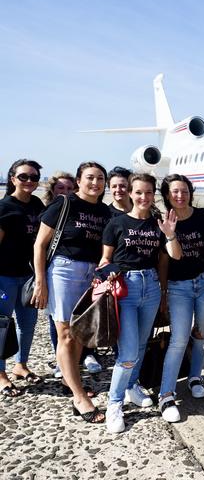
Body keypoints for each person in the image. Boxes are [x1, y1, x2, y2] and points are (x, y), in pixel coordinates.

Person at [100, 173, 182, 434]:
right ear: (130, 193)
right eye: (138, 192)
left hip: (151, 287)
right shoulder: (117, 223)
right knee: (128, 353)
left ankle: (132, 386)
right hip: (125, 288)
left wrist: (169, 235)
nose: (143, 197)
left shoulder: (159, 224)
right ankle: (114, 403)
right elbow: (104, 260)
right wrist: (107, 273)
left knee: (143, 344)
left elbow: (171, 258)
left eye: (148, 193)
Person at [33, 162, 111, 423]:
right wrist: (41, 282)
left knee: (79, 333)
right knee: (65, 333)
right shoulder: (64, 204)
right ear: (79, 180)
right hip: (64, 272)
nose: (95, 183)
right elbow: (40, 245)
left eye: (100, 178)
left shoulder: (105, 211)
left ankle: (71, 381)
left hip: (92, 274)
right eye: (90, 178)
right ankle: (79, 396)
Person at [157, 174, 204, 422]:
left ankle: (195, 377)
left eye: (184, 191)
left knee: (202, 333)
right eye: (175, 192)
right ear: (167, 195)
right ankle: (166, 394)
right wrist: (163, 293)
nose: (180, 196)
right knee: (179, 340)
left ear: (190, 192)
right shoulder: (161, 221)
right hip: (178, 287)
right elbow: (169, 260)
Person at [0, 159, 45, 397]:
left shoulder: (37, 204)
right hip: (4, 276)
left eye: (34, 177)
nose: (29, 181)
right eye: (24, 176)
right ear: (12, 178)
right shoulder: (4, 207)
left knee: (27, 325)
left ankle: (21, 364)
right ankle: (1, 374)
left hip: (28, 277)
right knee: (1, 325)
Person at [41, 171, 77, 378]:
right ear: (52, 191)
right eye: (60, 188)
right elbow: (40, 245)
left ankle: (71, 361)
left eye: (69, 188)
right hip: (52, 270)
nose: (65, 192)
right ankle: (60, 361)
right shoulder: (51, 210)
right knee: (57, 320)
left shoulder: (75, 209)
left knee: (71, 320)